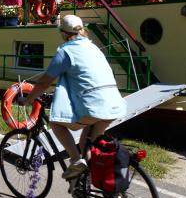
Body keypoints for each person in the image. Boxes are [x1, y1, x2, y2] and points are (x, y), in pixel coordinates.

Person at [19, 15, 127, 180]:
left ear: (63, 33)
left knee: (56, 123)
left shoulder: (65, 51)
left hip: (94, 107)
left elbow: (44, 82)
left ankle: (76, 161)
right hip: (114, 105)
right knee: (86, 143)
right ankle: (87, 185)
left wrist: (28, 99)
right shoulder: (94, 48)